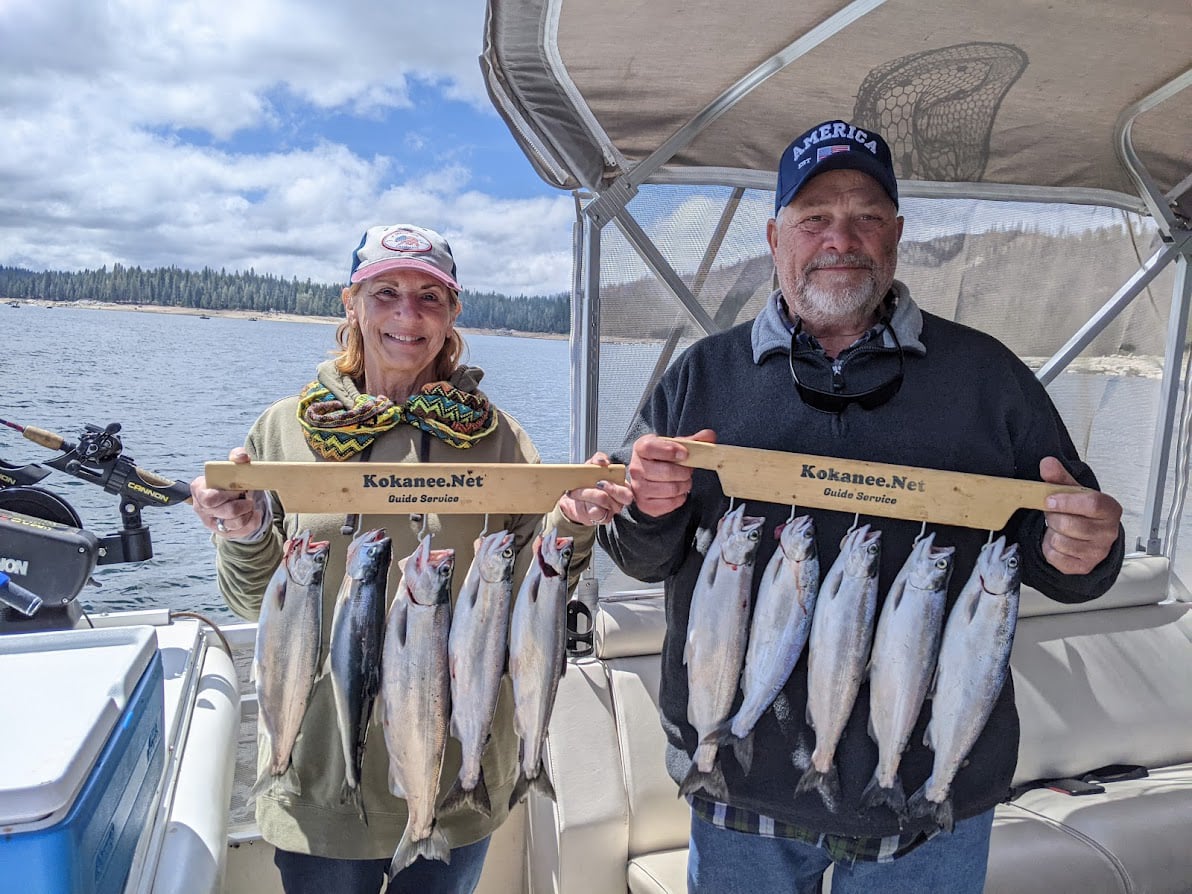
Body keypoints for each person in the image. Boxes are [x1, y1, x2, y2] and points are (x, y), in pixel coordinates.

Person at [589, 121, 1125, 893]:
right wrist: (645, 509)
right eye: (814, 218)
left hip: (929, 801)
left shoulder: (990, 380)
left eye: (865, 217)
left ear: (896, 235)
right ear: (774, 238)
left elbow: (1066, 558)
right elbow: (643, 553)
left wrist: (1085, 547)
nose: (839, 240)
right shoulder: (701, 376)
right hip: (740, 786)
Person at [189, 223, 630, 894]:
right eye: (386, 293)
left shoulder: (501, 441)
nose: (407, 314)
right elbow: (256, 602)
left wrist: (574, 521)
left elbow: (534, 592)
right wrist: (245, 531)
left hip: (456, 786)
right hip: (318, 787)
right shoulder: (285, 430)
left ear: (452, 314)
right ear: (351, 304)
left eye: (430, 297)